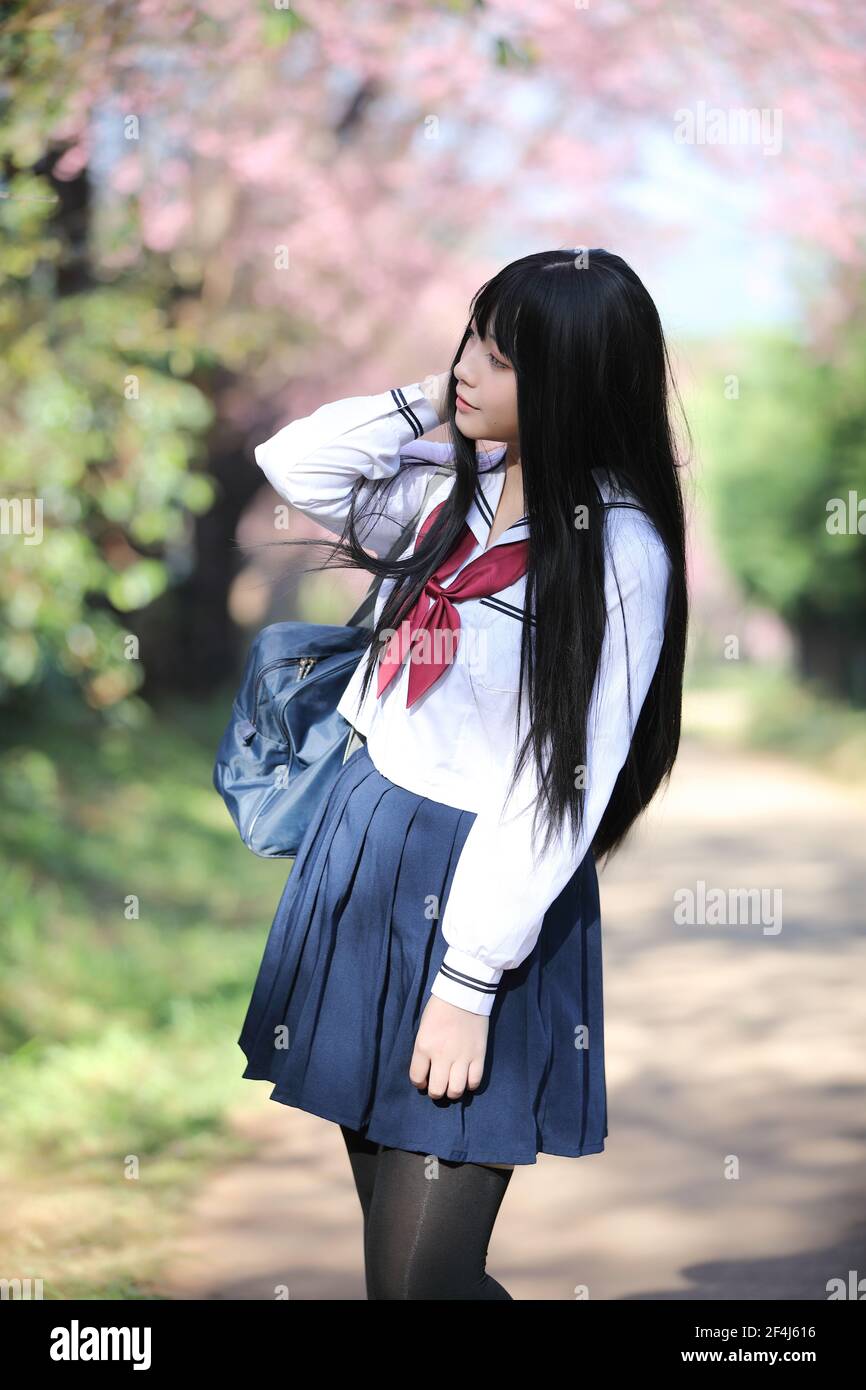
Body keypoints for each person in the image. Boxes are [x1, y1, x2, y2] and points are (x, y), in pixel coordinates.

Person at [238, 247, 689, 1300]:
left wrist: (467, 979)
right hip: (365, 849)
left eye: (503, 356)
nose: (469, 368)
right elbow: (294, 463)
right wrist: (425, 402)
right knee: (396, 1275)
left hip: (485, 886)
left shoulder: (614, 550)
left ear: (575, 383)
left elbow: (555, 784)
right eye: (473, 340)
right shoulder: (451, 488)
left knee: (419, 1282)